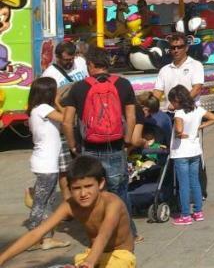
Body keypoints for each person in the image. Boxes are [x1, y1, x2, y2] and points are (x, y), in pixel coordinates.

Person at [0, 156, 135, 268]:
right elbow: (36, 233)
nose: (83, 193)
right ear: (69, 188)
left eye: (88, 186)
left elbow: (104, 234)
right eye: (76, 188)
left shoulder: (112, 203)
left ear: (100, 184)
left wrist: (89, 262)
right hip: (92, 256)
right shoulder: (70, 205)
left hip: (120, 257)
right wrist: (2, 259)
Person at [62, 47, 137, 239]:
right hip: (116, 146)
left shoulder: (79, 88)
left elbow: (67, 122)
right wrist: (127, 140)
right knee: (119, 191)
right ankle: (129, 233)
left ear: (90, 65)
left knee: (92, 193)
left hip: (89, 149)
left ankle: (96, 235)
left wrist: (73, 146)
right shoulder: (123, 84)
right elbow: (131, 115)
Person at [22, 77, 71, 251]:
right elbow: (67, 118)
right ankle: (33, 237)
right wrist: (59, 102)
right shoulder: (43, 108)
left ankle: (47, 237)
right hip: (46, 164)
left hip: (47, 162)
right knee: (40, 203)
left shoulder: (37, 110)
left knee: (48, 202)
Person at [168, 85, 214, 225]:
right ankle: (198, 212)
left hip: (181, 152)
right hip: (195, 150)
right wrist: (200, 127)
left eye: (172, 101)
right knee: (195, 182)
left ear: (177, 100)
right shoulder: (197, 109)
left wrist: (179, 133)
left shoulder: (179, 114)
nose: (171, 105)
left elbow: (179, 129)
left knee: (184, 184)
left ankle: (185, 215)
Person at [152, 33, 204, 111]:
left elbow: (197, 89)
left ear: (186, 48)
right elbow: (157, 92)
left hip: (190, 112)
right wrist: (149, 106)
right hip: (170, 113)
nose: (176, 50)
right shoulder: (164, 70)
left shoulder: (196, 65)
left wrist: (179, 104)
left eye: (180, 47)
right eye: (173, 48)